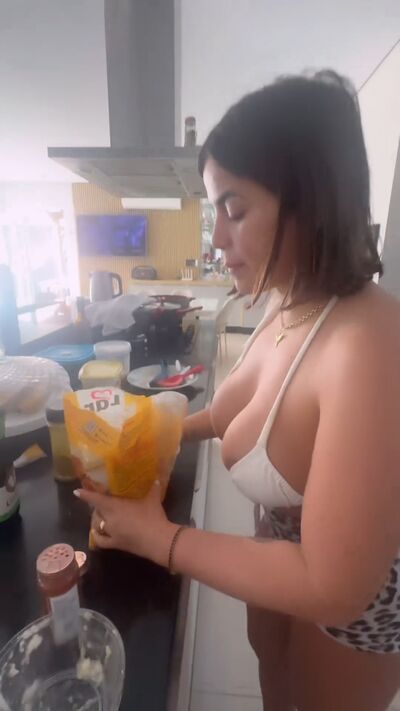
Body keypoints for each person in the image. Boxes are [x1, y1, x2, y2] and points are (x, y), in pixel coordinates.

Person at [75, 71, 400, 710]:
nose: (218, 238)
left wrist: (160, 538)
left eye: (235, 209)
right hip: (275, 551)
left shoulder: (370, 346)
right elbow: (239, 414)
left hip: (351, 613)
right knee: (273, 683)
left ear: (310, 201)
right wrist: (151, 428)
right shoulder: (287, 299)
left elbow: (333, 587)